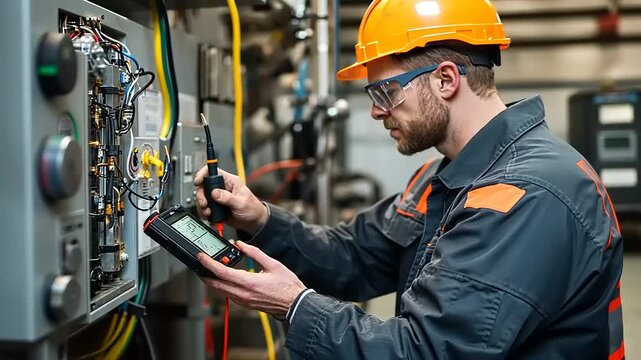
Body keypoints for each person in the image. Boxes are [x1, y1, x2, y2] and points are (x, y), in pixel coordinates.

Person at [193, 0, 625, 358]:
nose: (377, 111)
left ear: (445, 79)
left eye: (386, 93)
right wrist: (259, 218)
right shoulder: (448, 175)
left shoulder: (526, 194)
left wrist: (295, 305)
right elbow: (354, 257)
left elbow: (426, 351)